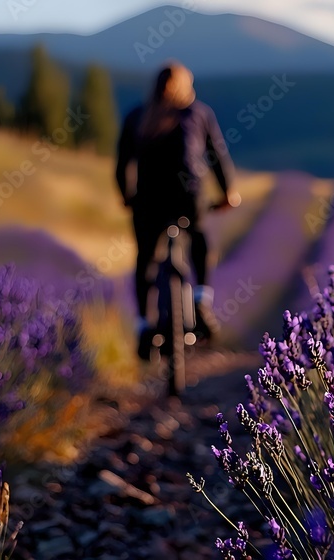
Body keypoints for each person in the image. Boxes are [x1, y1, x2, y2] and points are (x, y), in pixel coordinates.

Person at [115, 61, 239, 358]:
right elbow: (217, 157)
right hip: (188, 196)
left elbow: (122, 165)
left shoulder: (138, 115)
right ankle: (200, 298)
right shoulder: (198, 113)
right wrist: (228, 194)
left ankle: (144, 325)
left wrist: (127, 196)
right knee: (197, 237)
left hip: (147, 200)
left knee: (146, 258)